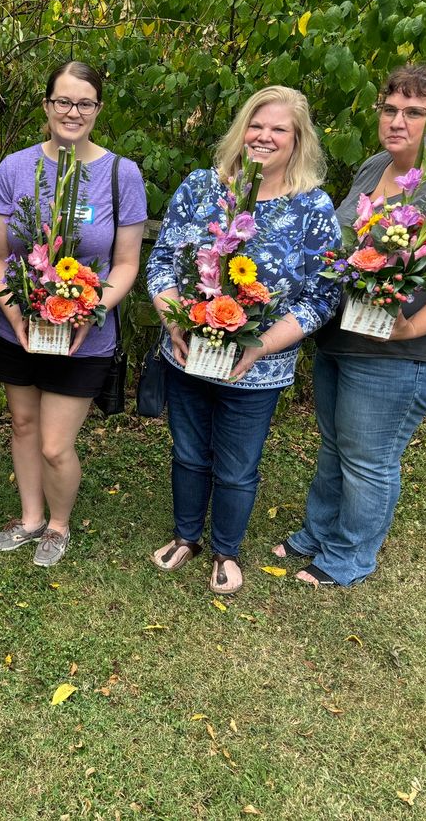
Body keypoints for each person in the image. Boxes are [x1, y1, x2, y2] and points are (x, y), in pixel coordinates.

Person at [276, 65, 426, 587]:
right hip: (348, 339)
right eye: (390, 108)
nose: (397, 121)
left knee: (368, 459)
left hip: (402, 356)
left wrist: (409, 329)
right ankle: (317, 533)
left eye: (414, 113)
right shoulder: (380, 165)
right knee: (336, 445)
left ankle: (349, 557)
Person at [146, 85, 340, 594]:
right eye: (257, 125)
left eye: (280, 129)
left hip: (259, 366)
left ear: (298, 141)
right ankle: (186, 536)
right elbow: (163, 262)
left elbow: (322, 294)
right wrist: (174, 324)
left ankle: (226, 550)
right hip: (188, 353)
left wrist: (262, 344)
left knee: (237, 466)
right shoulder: (200, 187)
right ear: (242, 129)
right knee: (188, 451)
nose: (265, 136)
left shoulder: (312, 207)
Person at [0, 61, 147, 567]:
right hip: (17, 329)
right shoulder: (14, 168)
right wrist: (14, 318)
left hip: (84, 336)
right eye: (63, 101)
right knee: (24, 425)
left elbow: (125, 264)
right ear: (47, 105)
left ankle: (58, 525)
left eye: (84, 103)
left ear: (98, 109)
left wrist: (87, 309)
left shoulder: (121, 174)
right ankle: (31, 518)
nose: (72, 112)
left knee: (55, 444)